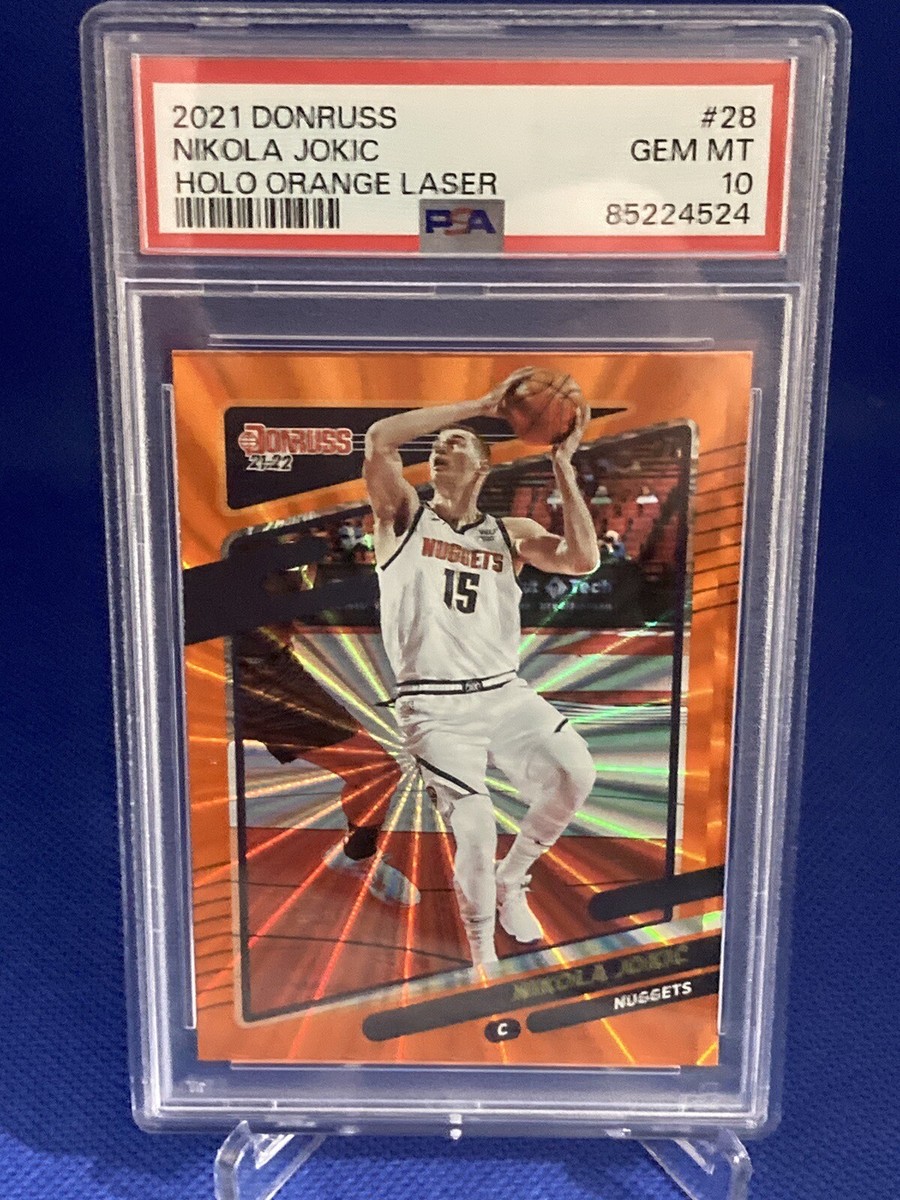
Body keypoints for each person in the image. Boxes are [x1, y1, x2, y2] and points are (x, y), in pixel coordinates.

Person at [363, 370, 599, 966]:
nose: (442, 447)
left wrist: (563, 469)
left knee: (575, 775)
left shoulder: (509, 533)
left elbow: (582, 560)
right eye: (439, 444)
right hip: (433, 706)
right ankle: (480, 954)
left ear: (483, 468)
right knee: (474, 827)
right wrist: (481, 405)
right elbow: (381, 439)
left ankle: (512, 879)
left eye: (458, 443)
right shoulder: (403, 517)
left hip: (502, 692)